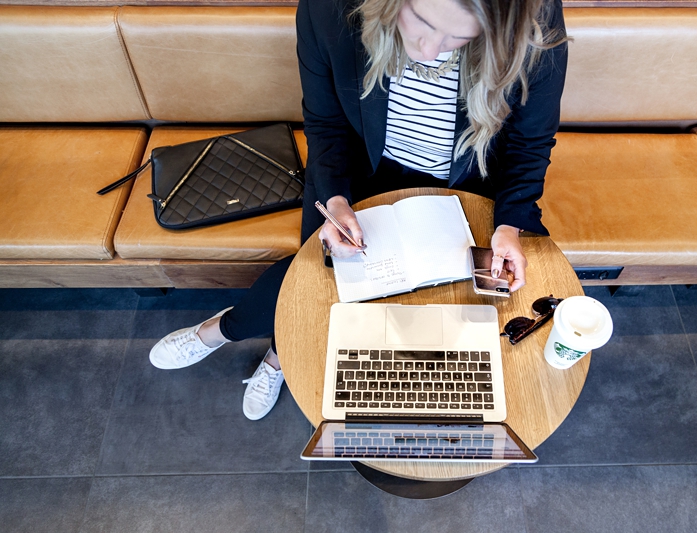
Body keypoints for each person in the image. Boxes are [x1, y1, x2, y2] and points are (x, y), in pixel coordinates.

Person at [148, 0, 568, 420]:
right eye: (421, 21)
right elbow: (326, 122)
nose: (428, 50)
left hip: (472, 179)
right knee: (319, 280)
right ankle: (246, 339)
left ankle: (264, 346)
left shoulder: (532, 14)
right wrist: (334, 201)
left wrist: (510, 224)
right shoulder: (329, 8)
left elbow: (531, 142)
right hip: (362, 171)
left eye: (459, 36)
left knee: (458, 302)